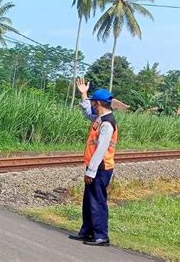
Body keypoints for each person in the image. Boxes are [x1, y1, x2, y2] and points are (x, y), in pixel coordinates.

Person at [68, 78, 118, 246]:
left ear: (98, 103)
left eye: (93, 103)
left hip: (101, 167)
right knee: (89, 200)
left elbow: (101, 149)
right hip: (96, 166)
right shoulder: (99, 117)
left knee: (97, 201)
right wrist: (84, 94)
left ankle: (101, 235)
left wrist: (91, 171)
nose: (92, 106)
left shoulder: (107, 123)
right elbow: (87, 113)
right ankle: (88, 232)